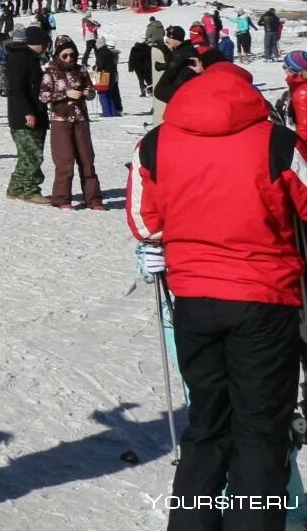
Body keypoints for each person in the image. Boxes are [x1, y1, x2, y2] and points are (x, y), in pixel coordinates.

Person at [128, 56, 307, 530]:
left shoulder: (154, 143)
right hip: (264, 302)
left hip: (194, 301)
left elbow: (144, 222)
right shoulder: (276, 141)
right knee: (261, 432)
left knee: (206, 426)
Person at [40, 36, 100, 210]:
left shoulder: (80, 70)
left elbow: (90, 90)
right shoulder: (50, 72)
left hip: (81, 120)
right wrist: (65, 94)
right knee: (65, 161)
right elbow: (43, 96)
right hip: (60, 121)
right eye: (65, 55)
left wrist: (89, 93)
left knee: (87, 159)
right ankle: (61, 198)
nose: (69, 58)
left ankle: (94, 199)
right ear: (58, 55)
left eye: (72, 54)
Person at [3, 26, 50, 204]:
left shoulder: (30, 58)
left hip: (34, 114)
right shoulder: (20, 59)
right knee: (32, 155)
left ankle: (16, 189)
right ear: (35, 43)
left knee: (28, 155)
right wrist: (28, 112)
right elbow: (16, 90)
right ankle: (30, 190)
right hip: (24, 117)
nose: (46, 48)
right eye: (44, 44)